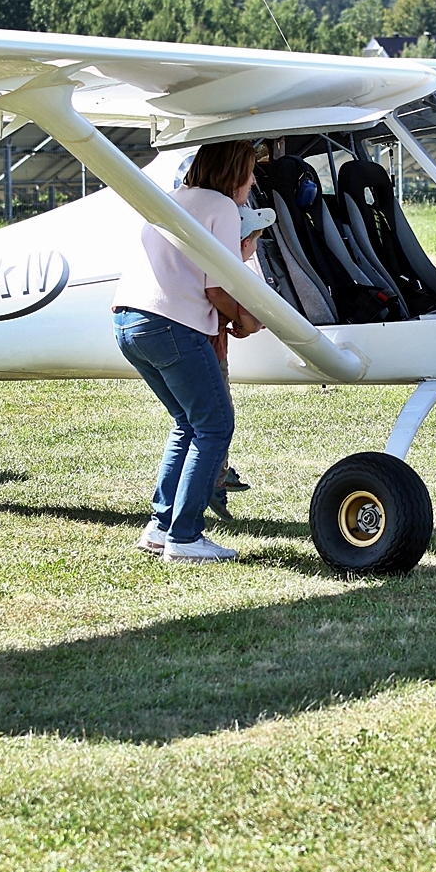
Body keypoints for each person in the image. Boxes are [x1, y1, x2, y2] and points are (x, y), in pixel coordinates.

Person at [111, 140, 265, 563]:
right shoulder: (222, 207)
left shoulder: (172, 199)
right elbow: (215, 287)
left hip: (127, 322)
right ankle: (184, 536)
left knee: (187, 422)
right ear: (234, 174)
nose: (253, 182)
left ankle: (161, 528)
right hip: (171, 327)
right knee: (215, 426)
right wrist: (244, 319)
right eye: (251, 173)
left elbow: (187, 268)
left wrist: (239, 253)